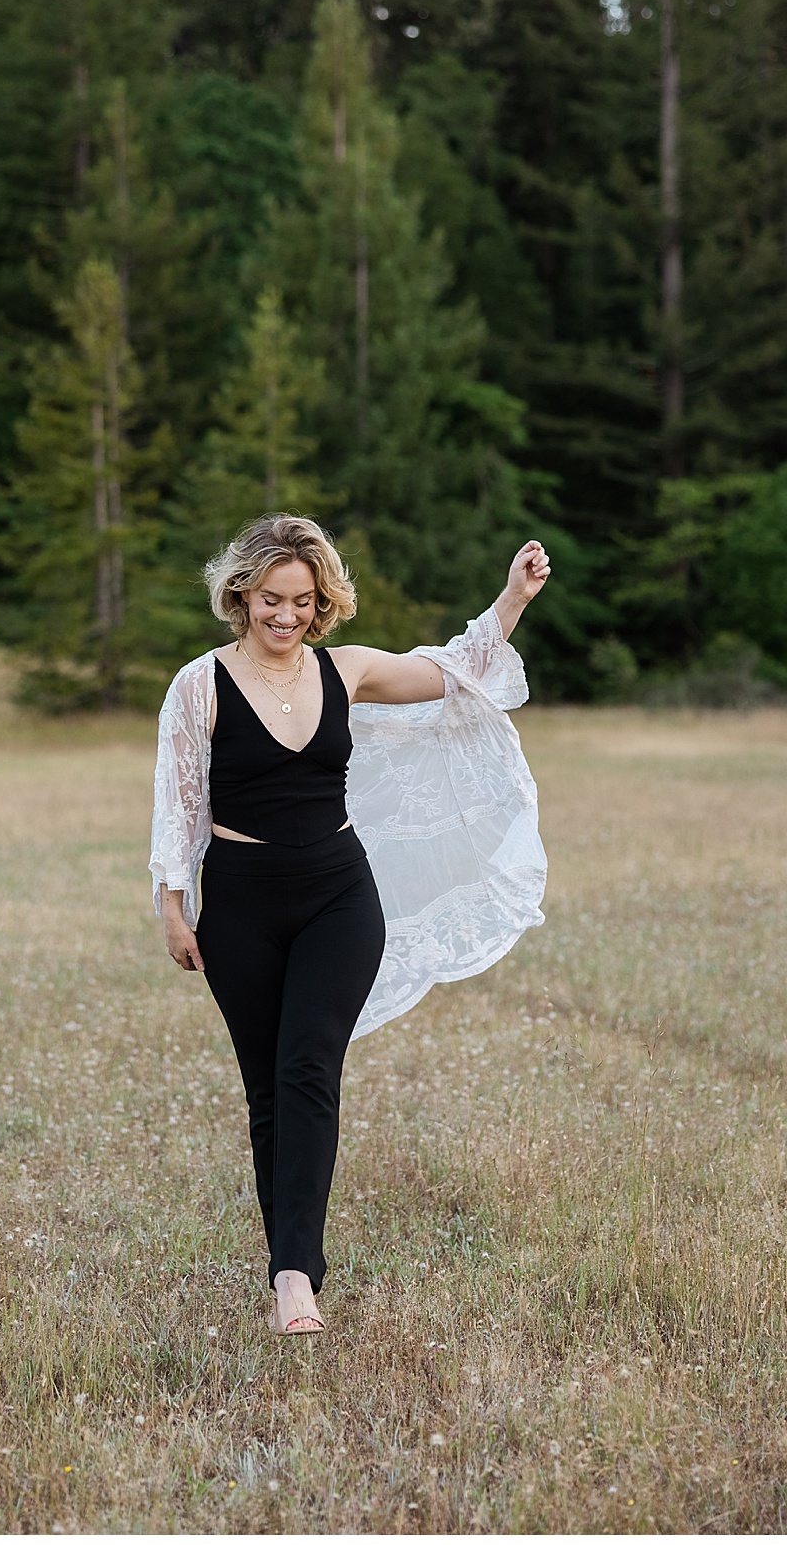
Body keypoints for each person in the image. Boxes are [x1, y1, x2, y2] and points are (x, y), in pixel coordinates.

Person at [150, 515, 550, 1336]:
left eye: (301, 599)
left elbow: (457, 671)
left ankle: (296, 1276)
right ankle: (286, 1262)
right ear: (240, 595)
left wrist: (512, 598)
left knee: (307, 1068)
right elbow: (179, 798)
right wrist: (171, 900)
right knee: (267, 1087)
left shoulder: (349, 670)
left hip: (338, 894)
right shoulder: (200, 684)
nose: (285, 614)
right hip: (239, 902)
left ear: (322, 600)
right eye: (270, 598)